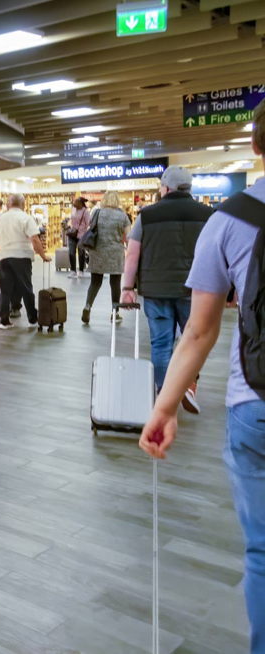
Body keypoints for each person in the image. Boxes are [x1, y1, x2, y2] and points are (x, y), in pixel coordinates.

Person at [139, 100, 265, 651]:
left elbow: (202, 331)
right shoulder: (207, 214)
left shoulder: (232, 217)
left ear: (256, 144)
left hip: (256, 399)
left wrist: (164, 406)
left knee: (262, 551)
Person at [121, 166, 213, 415]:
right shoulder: (208, 214)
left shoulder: (147, 215)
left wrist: (127, 288)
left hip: (156, 290)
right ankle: (188, 385)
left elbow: (132, 255)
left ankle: (163, 392)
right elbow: (217, 253)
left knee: (161, 344)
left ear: (165, 188)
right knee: (193, 341)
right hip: (195, 290)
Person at [0, 193, 50, 330]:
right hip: (22, 257)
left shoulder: (0, 219)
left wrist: (1, 251)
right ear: (23, 204)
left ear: (8, 204)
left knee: (5, 290)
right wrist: (43, 256)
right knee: (26, 288)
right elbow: (34, 239)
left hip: (5, 258)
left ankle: (4, 321)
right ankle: (32, 319)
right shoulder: (26, 218)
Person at [81, 191, 131, 325]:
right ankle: (115, 313)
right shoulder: (122, 216)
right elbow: (128, 237)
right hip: (115, 253)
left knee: (95, 282)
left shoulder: (97, 213)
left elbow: (91, 229)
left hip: (97, 252)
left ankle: (87, 306)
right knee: (115, 283)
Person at [67, 197, 90, 278]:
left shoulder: (85, 211)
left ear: (80, 203)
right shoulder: (73, 209)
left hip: (81, 235)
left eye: (75, 202)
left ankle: (81, 270)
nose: (74, 203)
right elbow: (71, 219)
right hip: (72, 234)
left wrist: (82, 230)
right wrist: (70, 226)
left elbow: (88, 223)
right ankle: (73, 270)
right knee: (71, 252)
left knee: (81, 253)